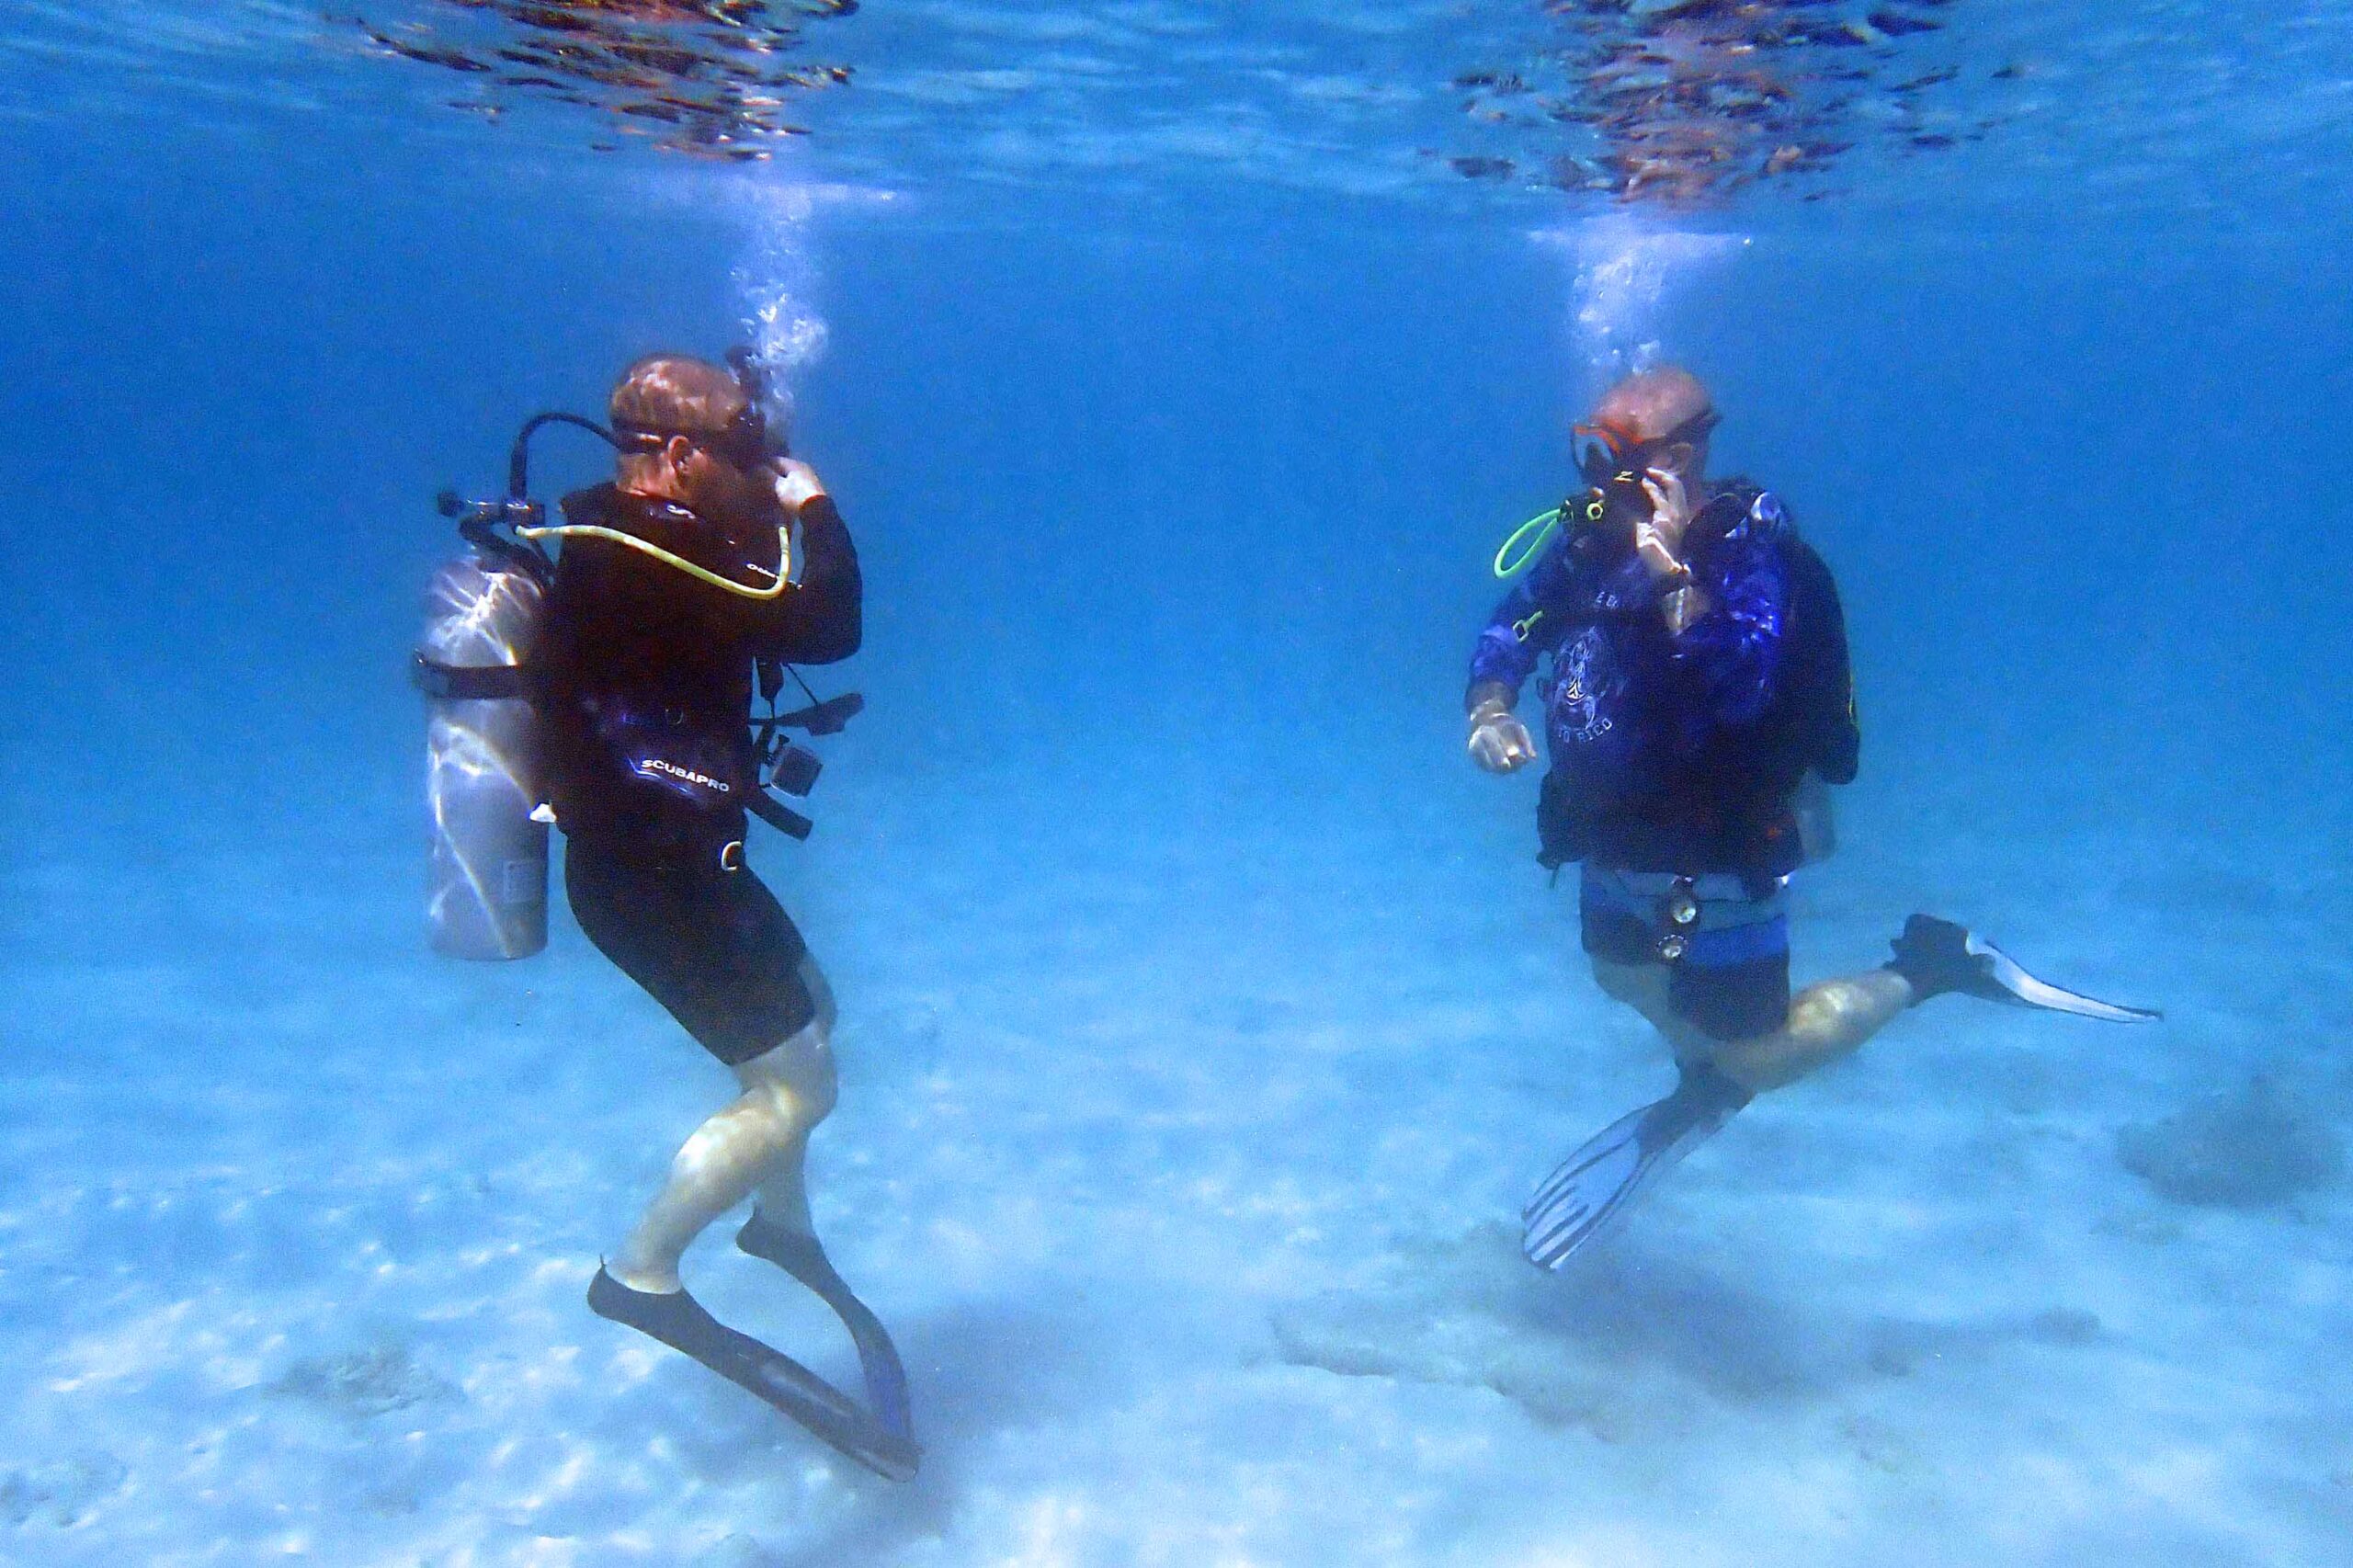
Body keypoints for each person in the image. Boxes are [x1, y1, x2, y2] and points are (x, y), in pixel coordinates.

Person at [1465, 366, 2158, 1270]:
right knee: (1617, 974)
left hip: (1713, 847)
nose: (1596, 479)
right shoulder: (1590, 540)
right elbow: (1512, 623)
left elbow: (1743, 687)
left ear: (1679, 455)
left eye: (1616, 458)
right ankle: (1710, 1066)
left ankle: (1934, 965)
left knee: (1757, 1048)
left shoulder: (1751, 554)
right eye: (1587, 452)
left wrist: (1672, 567)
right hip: (1608, 831)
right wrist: (1489, 706)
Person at [531, 351, 917, 1478]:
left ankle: (778, 1225)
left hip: (679, 858)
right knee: (801, 1083)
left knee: (815, 1013)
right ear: (685, 456)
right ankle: (640, 1270)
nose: (765, 478)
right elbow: (824, 625)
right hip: (646, 879)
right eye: (749, 458)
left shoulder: (626, 534)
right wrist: (816, 504)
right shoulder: (652, 549)